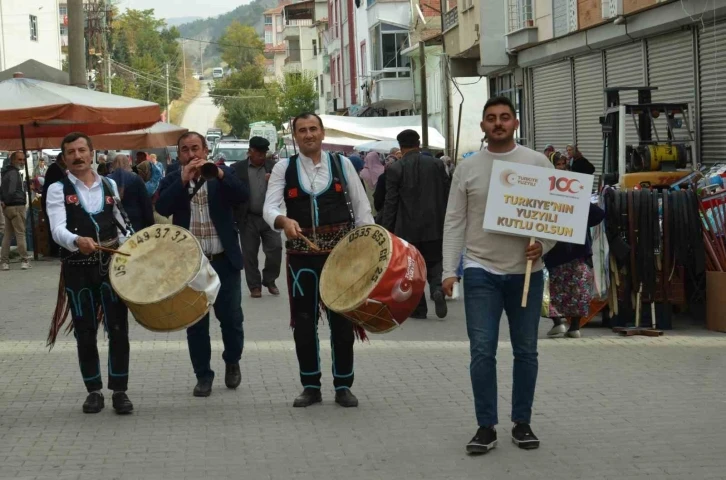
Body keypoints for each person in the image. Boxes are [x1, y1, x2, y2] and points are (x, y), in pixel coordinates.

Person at [442, 96, 557, 454]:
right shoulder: (469, 167)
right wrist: (449, 269)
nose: (498, 123)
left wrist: (544, 247)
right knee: (482, 352)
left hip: (526, 272)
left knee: (526, 351)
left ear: (515, 123)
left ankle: (522, 423)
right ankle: (485, 427)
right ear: (482, 126)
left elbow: (555, 215)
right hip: (481, 271)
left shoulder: (537, 163)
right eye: (491, 118)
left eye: (504, 117)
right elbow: (455, 219)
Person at [262, 112, 375, 409]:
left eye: (313, 129)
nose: (308, 134)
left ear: (323, 133)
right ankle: (310, 385)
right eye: (302, 130)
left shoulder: (342, 164)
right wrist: (283, 220)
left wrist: (368, 251)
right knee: (303, 323)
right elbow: (269, 207)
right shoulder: (283, 169)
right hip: (301, 260)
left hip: (340, 259)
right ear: (295, 136)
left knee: (341, 321)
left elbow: (362, 210)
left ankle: (343, 385)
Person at [46, 132, 134, 414]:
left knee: (118, 328)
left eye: (82, 150)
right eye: (71, 152)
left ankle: (120, 390)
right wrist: (75, 241)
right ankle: (93, 390)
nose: (78, 156)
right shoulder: (58, 189)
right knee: (84, 332)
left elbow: (123, 225)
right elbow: (57, 229)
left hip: (111, 268)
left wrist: (135, 249)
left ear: (93, 153)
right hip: (77, 269)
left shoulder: (109, 184)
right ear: (64, 158)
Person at [156, 132, 249, 397]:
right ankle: (203, 375)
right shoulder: (173, 179)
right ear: (179, 155)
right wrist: (183, 180)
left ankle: (232, 360)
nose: (191, 154)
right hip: (191, 265)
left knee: (231, 319)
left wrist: (219, 174)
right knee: (195, 323)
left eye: (195, 148)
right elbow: (162, 206)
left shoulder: (221, 174)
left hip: (223, 260)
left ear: (206, 150)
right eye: (185, 150)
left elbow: (242, 196)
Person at [382, 129, 450, 320]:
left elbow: (391, 202)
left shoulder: (396, 168)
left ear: (401, 146)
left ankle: (419, 309)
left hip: (407, 229)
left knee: (412, 268)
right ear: (419, 144)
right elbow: (447, 194)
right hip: (435, 225)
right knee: (435, 261)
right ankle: (437, 289)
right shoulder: (437, 164)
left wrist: (388, 230)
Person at [231, 136, 282, 298]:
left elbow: (285, 186)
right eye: (258, 153)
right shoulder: (237, 168)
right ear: (250, 151)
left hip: (270, 216)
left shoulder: (274, 167)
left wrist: (273, 181)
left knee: (275, 248)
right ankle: (254, 286)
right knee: (250, 254)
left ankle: (270, 280)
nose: (262, 156)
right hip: (248, 218)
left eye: (264, 153)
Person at [108, 155, 155, 234]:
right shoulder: (136, 179)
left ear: (113, 164)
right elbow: (146, 205)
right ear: (128, 164)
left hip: (115, 227)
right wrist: (151, 225)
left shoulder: (107, 181)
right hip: (136, 226)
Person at [1, 151, 30, 270]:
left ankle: (4, 262)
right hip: (17, 206)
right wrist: (7, 200)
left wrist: (3, 201)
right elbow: (12, 190)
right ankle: (24, 260)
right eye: (20, 160)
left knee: (7, 235)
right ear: (13, 160)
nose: (22, 162)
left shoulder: (5, 172)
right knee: (20, 234)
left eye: (23, 160)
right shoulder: (14, 173)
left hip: (7, 208)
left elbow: (2, 188)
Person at [42, 153, 67, 257]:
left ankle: (57, 248)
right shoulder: (55, 169)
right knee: (54, 224)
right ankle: (55, 250)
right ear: (61, 159)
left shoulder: (58, 168)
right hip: (51, 199)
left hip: (51, 198)